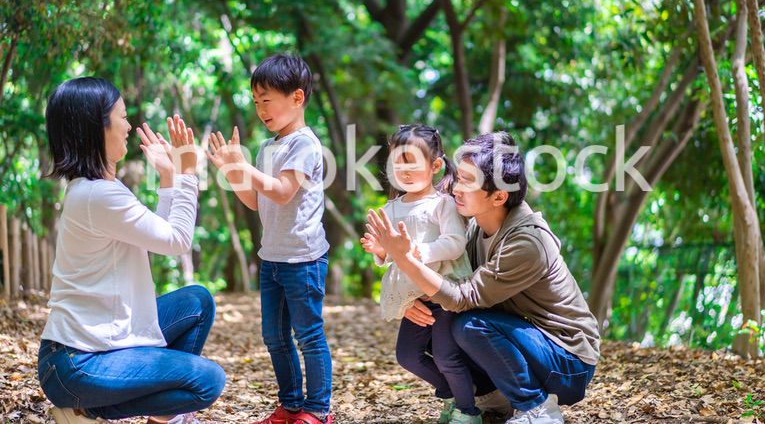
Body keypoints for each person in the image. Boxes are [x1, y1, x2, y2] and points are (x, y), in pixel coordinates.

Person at [367, 132, 601, 424]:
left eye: (467, 181)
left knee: (469, 324)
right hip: (524, 342)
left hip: (567, 361)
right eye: (458, 177)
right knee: (434, 325)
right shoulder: (474, 229)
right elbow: (444, 278)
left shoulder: (527, 242)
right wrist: (411, 300)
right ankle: (495, 399)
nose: (455, 189)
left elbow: (462, 298)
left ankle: (537, 409)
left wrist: (404, 258)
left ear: (499, 196)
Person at [37, 77, 226, 424]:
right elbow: (179, 242)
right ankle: (83, 409)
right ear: (98, 125)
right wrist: (187, 173)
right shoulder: (98, 196)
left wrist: (169, 176)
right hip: (77, 364)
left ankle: (164, 417)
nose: (129, 126)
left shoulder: (100, 189)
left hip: (93, 349)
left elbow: (161, 238)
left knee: (197, 302)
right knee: (207, 380)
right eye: (122, 116)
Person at [206, 54, 333, 424]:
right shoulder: (266, 148)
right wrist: (233, 171)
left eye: (268, 100)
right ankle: (291, 404)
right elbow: (256, 199)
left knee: (308, 335)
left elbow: (281, 191)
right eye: (256, 101)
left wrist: (243, 166)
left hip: (304, 258)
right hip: (273, 256)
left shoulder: (305, 145)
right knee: (275, 338)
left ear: (297, 98)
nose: (261, 109)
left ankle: (318, 410)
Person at [360, 124, 483, 424]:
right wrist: (379, 251)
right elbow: (391, 256)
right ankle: (451, 391)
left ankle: (468, 411)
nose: (404, 169)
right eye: (397, 162)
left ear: (435, 165)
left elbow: (454, 244)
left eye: (412, 162)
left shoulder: (442, 204)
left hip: (444, 291)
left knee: (445, 355)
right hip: (413, 295)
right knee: (407, 355)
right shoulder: (390, 208)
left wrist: (417, 252)